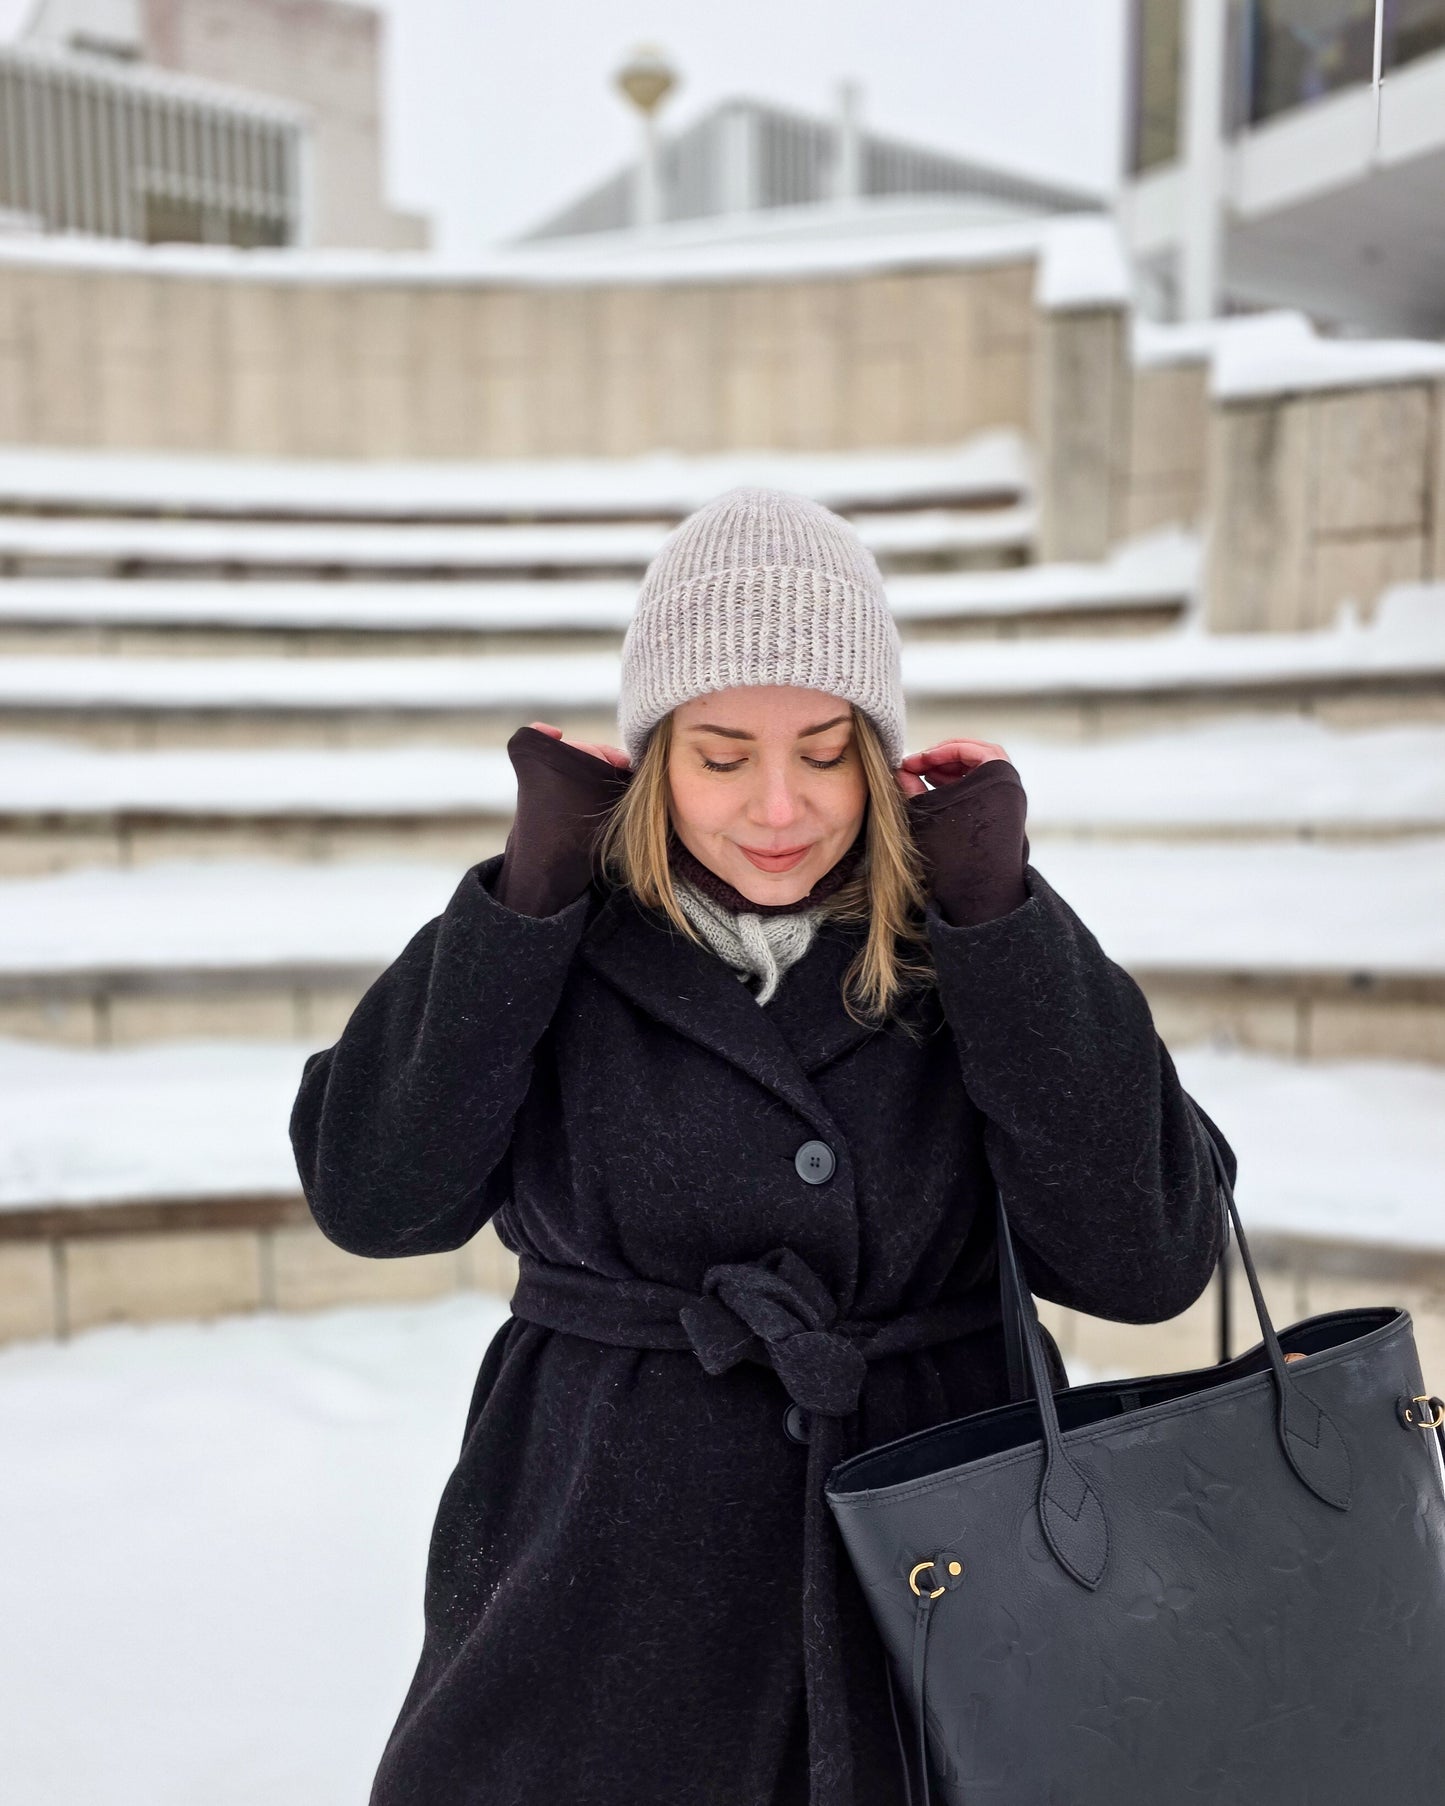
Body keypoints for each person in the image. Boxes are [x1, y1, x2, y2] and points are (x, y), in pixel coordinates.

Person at [289, 487, 1236, 1806]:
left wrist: (999, 914)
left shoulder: (965, 944)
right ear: (654, 755)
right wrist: (521, 900)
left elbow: (1146, 1260)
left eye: (825, 750)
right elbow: (374, 1195)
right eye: (721, 754)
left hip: (938, 1590)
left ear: (877, 752)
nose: (777, 806)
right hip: (594, 1610)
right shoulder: (555, 932)